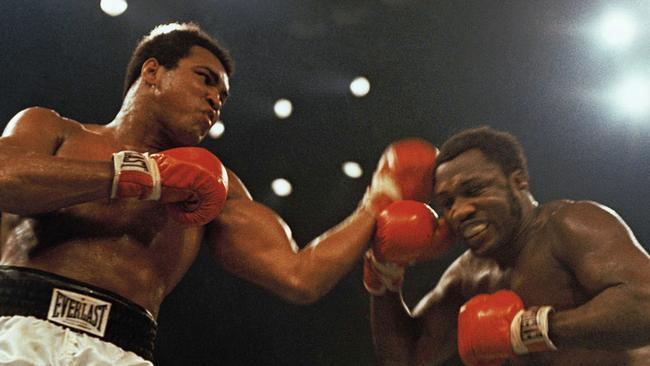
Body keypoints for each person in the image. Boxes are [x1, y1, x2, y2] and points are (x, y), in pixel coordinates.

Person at [0, 22, 439, 365]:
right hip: (16, 327)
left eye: (222, 96)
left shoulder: (217, 189)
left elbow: (297, 276)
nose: (215, 100)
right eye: (205, 80)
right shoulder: (52, 128)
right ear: (152, 71)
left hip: (121, 350)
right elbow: (6, 178)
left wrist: (375, 202)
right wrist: (146, 175)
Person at [364, 126, 650, 365]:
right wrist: (383, 276)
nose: (460, 211)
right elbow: (408, 356)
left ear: (518, 181)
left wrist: (528, 330)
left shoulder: (570, 224)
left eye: (474, 190)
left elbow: (645, 303)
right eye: (448, 202)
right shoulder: (467, 275)